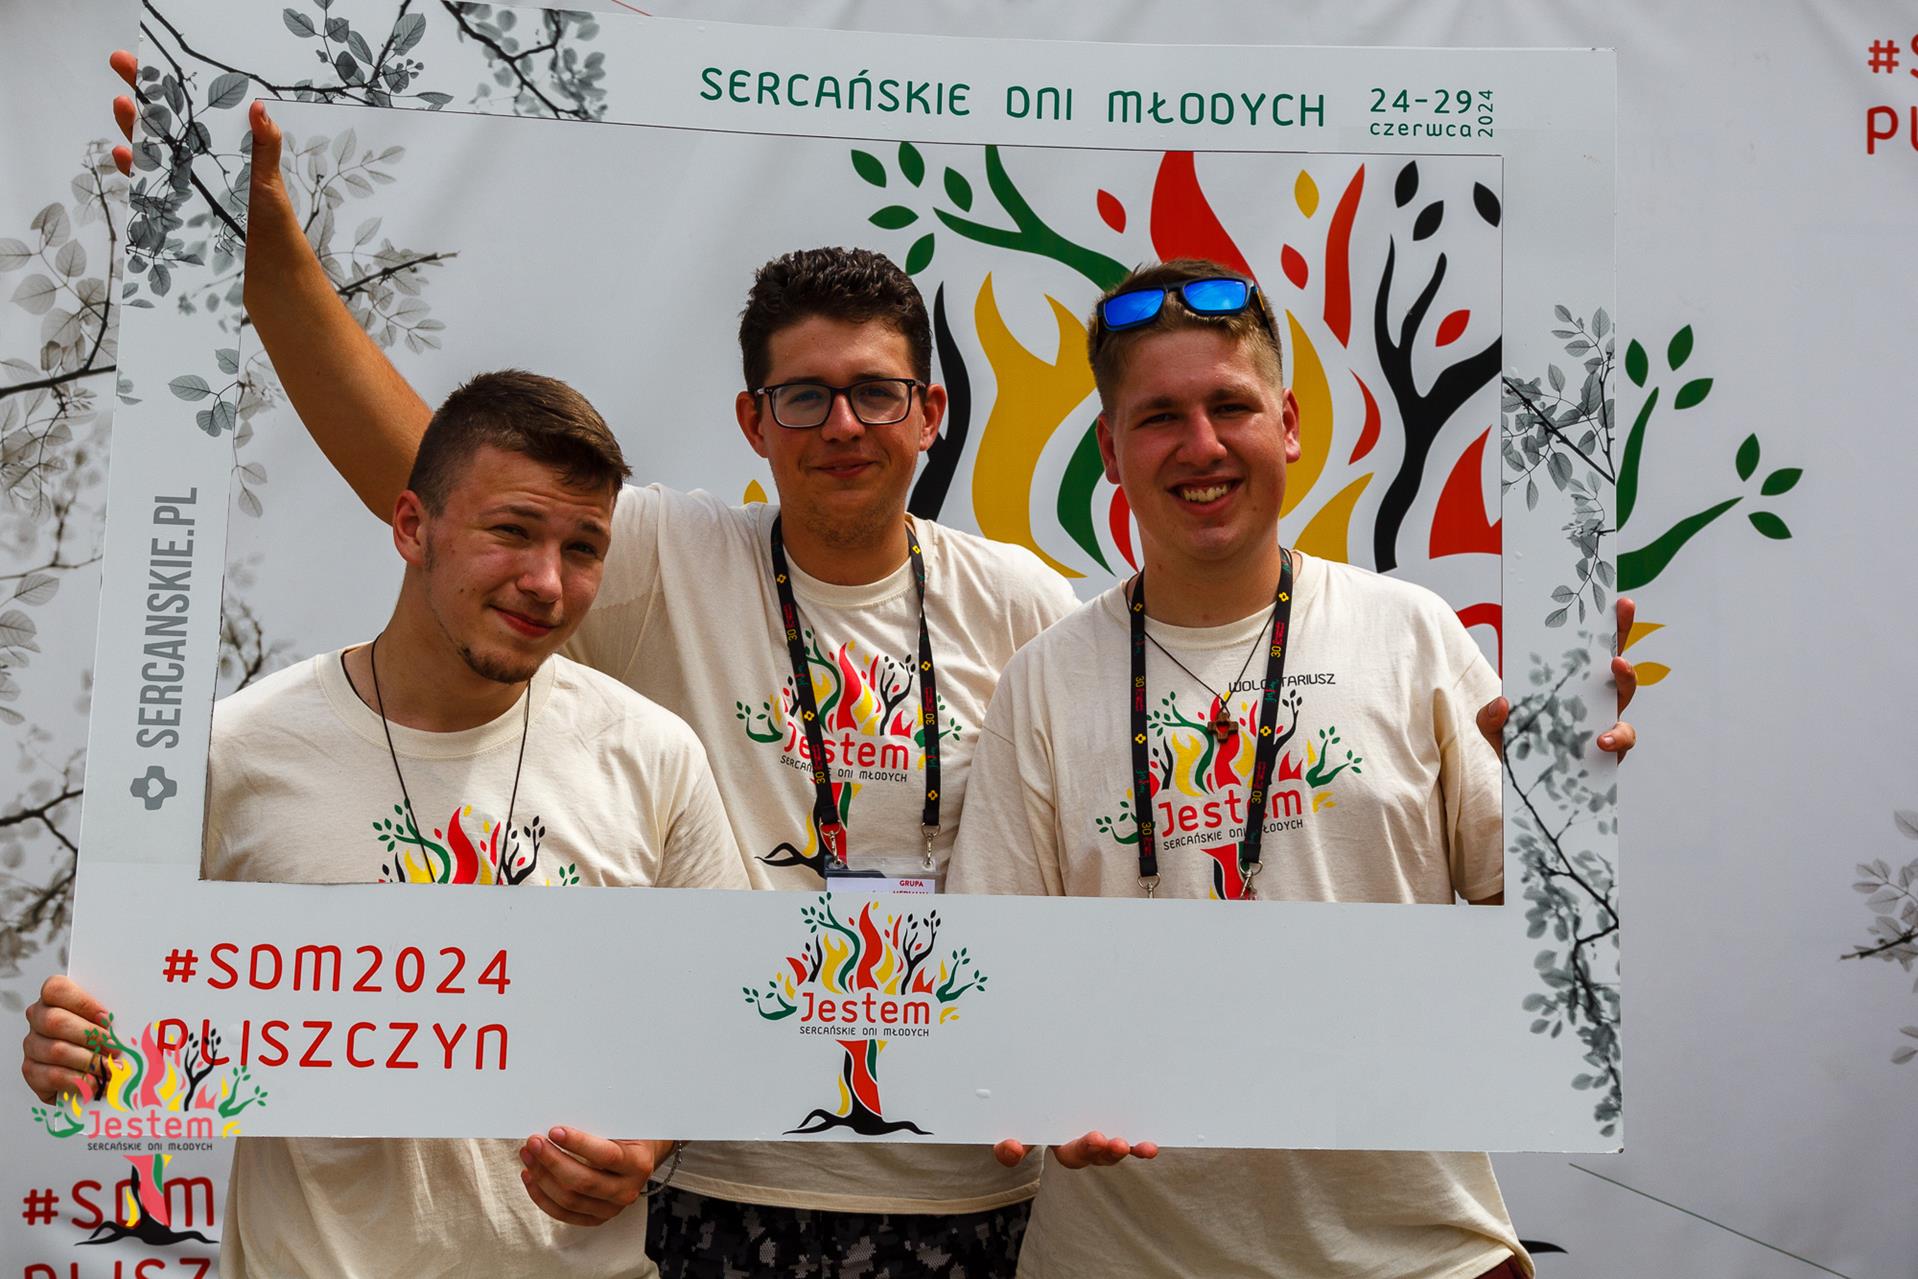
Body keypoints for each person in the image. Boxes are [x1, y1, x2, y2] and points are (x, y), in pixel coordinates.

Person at [100, 64, 1087, 1272]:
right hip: (717, 1178)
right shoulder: (669, 555)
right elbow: (433, 477)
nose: (842, 425)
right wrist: (267, 264)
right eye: (804, 396)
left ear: (930, 411)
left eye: (876, 394)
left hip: (964, 1179)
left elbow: (1089, 861)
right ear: (753, 420)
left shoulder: (1023, 604)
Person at [948, 259, 1637, 1278]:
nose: (1202, 445)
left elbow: (1541, 949)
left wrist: (1567, 803)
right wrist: (1039, 1091)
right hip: (1125, 1256)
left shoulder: (1411, 633)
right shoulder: (1043, 680)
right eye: (1159, 417)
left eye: (1231, 405)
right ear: (1109, 450)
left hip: (1414, 1252)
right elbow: (996, 977)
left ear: (1290, 423)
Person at [22, 371, 748, 1278]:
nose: (546, 582)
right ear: (412, 526)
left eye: (583, 547)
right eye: (511, 531)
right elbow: (116, 1034)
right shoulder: (230, 754)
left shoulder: (652, 754)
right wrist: (74, 1054)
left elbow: (723, 1016)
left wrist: (649, 1141)